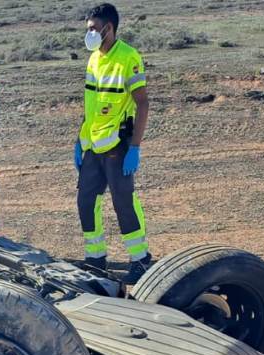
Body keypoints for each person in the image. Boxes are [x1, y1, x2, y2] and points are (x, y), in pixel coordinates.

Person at [74, 3, 151, 282]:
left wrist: (135, 147)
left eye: (94, 28)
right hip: (93, 145)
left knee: (123, 202)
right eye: (88, 29)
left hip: (118, 146)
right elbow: (91, 103)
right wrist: (79, 141)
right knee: (85, 201)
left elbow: (142, 103)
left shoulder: (128, 57)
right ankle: (95, 260)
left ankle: (141, 260)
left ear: (110, 28)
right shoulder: (94, 58)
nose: (90, 33)